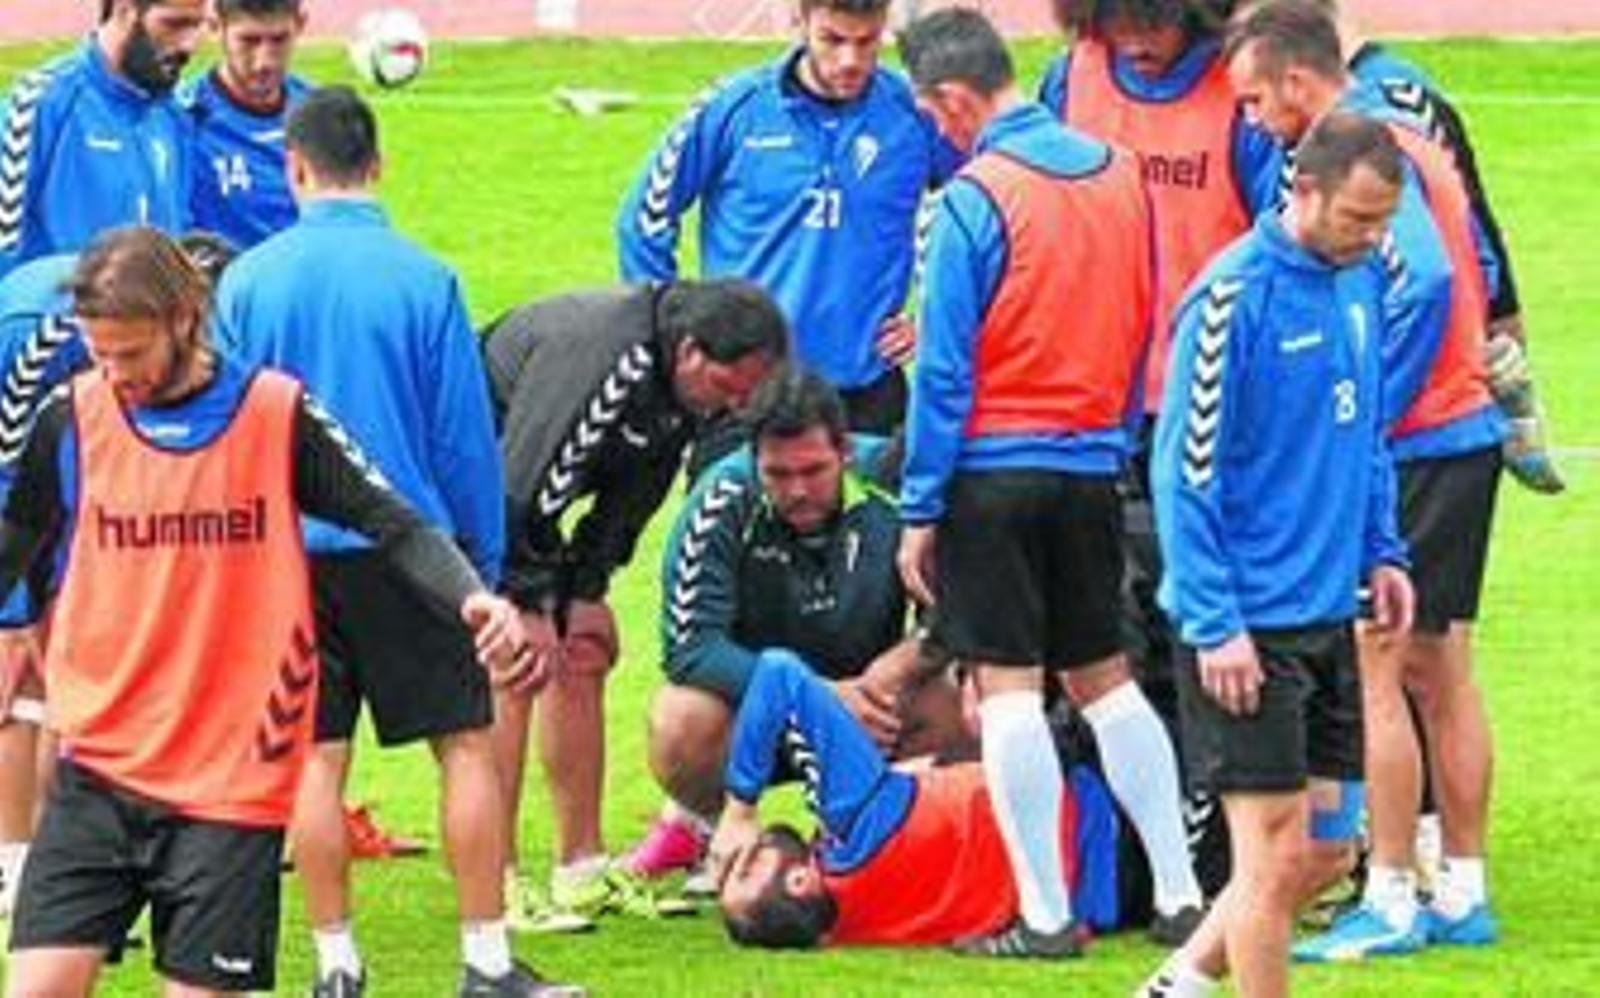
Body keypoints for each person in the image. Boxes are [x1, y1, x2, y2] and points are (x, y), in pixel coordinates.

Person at [0, 226, 562, 998]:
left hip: (227, 784)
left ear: (185, 319)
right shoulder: (71, 419)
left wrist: (474, 596)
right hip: (97, 766)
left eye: (128, 355)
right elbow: (15, 542)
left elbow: (393, 522)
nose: (113, 374)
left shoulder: (275, 415)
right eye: (99, 354)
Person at [216, 87, 539, 997]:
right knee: (466, 744)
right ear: (380, 166)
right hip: (410, 551)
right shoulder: (424, 278)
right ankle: (484, 959)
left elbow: (232, 430)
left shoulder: (247, 281)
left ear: (294, 167)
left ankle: (336, 964)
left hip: (290, 560)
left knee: (316, 758)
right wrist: (477, 563)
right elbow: (461, 436)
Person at [894, 7, 1203, 958]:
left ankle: (1044, 913)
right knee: (1106, 683)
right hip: (1091, 467)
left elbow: (943, 371)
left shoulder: (976, 198)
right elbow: (1143, 315)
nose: (936, 133)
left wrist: (919, 508)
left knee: (1013, 692)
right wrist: (1110, 439)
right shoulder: (1119, 178)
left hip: (994, 472)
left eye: (931, 115)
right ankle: (1184, 896)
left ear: (954, 99)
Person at [1224, 0, 1508, 963]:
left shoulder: (1360, 154)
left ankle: (1388, 892)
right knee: (1441, 670)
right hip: (1461, 431)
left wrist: (1362, 399)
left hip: (1417, 441)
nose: (1256, 119)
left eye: (1259, 99)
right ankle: (1460, 888)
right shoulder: (1402, 129)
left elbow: (1422, 280)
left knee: (1376, 667)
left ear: (1299, 81)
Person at [1140, 109, 1415, 998]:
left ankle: (1178, 984)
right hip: (1245, 631)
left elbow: (1367, 433)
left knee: (1327, 851)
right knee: (1268, 858)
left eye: (1383, 221)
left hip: (1328, 613)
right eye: (1358, 218)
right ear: (1303, 191)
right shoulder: (1232, 300)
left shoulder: (1361, 282)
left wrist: (1383, 550)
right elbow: (1183, 475)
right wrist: (1215, 622)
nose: (1374, 238)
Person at [1036, 0, 1285, 910]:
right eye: (1114, 18)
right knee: (1092, 630)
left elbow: (1280, 247)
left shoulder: (1239, 95)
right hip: (1089, 404)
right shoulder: (1071, 77)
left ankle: (1228, 835)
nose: (1136, 41)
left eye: (1157, 21)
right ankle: (1107, 850)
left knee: (1210, 627)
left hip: (1209, 417)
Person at [482, 280, 787, 928]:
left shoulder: (685, 392)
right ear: (691, 354)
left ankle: (580, 869)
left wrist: (588, 588)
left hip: (522, 503)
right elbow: (521, 488)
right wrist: (532, 602)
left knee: (584, 649)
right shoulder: (607, 360)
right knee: (514, 661)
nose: (734, 408)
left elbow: (634, 490)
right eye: (730, 390)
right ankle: (494, 881)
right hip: (474, 490)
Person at [626, 367, 964, 888]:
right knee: (679, 718)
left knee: (953, 701)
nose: (798, 490)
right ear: (752, 459)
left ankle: (883, 837)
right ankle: (703, 825)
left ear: (845, 452)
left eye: (814, 470)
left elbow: (968, 604)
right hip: (751, 716)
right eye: (778, 475)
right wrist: (819, 696)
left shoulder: (898, 486)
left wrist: (899, 666)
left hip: (871, 703)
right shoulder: (720, 502)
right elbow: (691, 648)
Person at [615, 0, 958, 435]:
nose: (850, 60)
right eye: (832, 39)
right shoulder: (732, 107)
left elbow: (979, 213)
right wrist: (671, 335)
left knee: (875, 506)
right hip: (742, 395)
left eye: (867, 41)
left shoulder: (916, 113)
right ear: (800, 20)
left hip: (866, 393)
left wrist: (938, 314)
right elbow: (643, 218)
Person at [709, 651, 1120, 949]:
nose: (735, 857)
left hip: (1100, 897)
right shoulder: (856, 821)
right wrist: (739, 809)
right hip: (1094, 799)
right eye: (743, 872)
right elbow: (777, 672)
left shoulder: (854, 928)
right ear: (799, 882)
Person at [0, 0, 203, 279]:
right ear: (124, 10)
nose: (188, 46)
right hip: (60, 317)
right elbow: (5, 242)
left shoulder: (176, 111)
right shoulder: (43, 103)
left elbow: (179, 228)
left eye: (197, 25)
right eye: (174, 24)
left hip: (151, 319)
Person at [182, 0, 313, 250]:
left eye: (279, 40)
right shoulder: (181, 119)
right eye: (249, 41)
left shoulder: (318, 111)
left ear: (300, 24)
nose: (265, 62)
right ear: (215, 27)